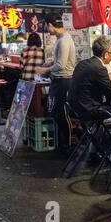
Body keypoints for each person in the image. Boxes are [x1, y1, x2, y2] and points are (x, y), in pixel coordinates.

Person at [35, 12, 76, 152]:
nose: (47, 29)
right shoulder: (61, 38)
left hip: (64, 81)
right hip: (59, 81)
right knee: (55, 111)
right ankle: (62, 144)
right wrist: (49, 63)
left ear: (50, 25)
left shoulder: (64, 40)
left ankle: (67, 145)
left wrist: (44, 71)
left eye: (46, 26)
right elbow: (58, 61)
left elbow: (61, 65)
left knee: (61, 113)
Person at [68, 36, 111, 122]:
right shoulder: (99, 68)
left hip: (74, 108)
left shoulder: (82, 63)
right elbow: (110, 93)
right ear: (106, 55)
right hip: (88, 110)